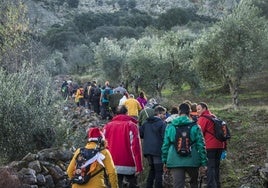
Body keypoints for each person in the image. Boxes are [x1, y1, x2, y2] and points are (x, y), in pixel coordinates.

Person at [161, 103, 207, 188]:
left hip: (174, 160)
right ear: (189, 112)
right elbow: (201, 145)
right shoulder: (195, 126)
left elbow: (165, 145)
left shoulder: (170, 126)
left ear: (179, 112)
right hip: (192, 159)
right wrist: (203, 163)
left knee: (178, 185)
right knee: (194, 184)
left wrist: (164, 161)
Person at [103, 105, 143, 188]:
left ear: (115, 114)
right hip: (129, 164)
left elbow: (103, 146)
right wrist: (139, 166)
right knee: (132, 184)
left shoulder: (107, 126)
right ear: (127, 113)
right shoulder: (131, 125)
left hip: (112, 163)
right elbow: (135, 147)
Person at [197, 102, 225, 188]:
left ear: (204, 108)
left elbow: (199, 133)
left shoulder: (203, 118)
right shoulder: (214, 116)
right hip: (220, 145)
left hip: (210, 146)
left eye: (199, 109)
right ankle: (217, 185)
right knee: (216, 167)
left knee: (210, 167)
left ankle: (211, 186)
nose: (197, 111)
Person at [139, 106, 167, 188]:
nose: (164, 116)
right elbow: (164, 137)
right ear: (159, 114)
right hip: (157, 151)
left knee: (152, 170)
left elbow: (140, 134)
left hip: (147, 151)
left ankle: (149, 186)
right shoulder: (162, 124)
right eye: (163, 114)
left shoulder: (146, 123)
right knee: (158, 171)